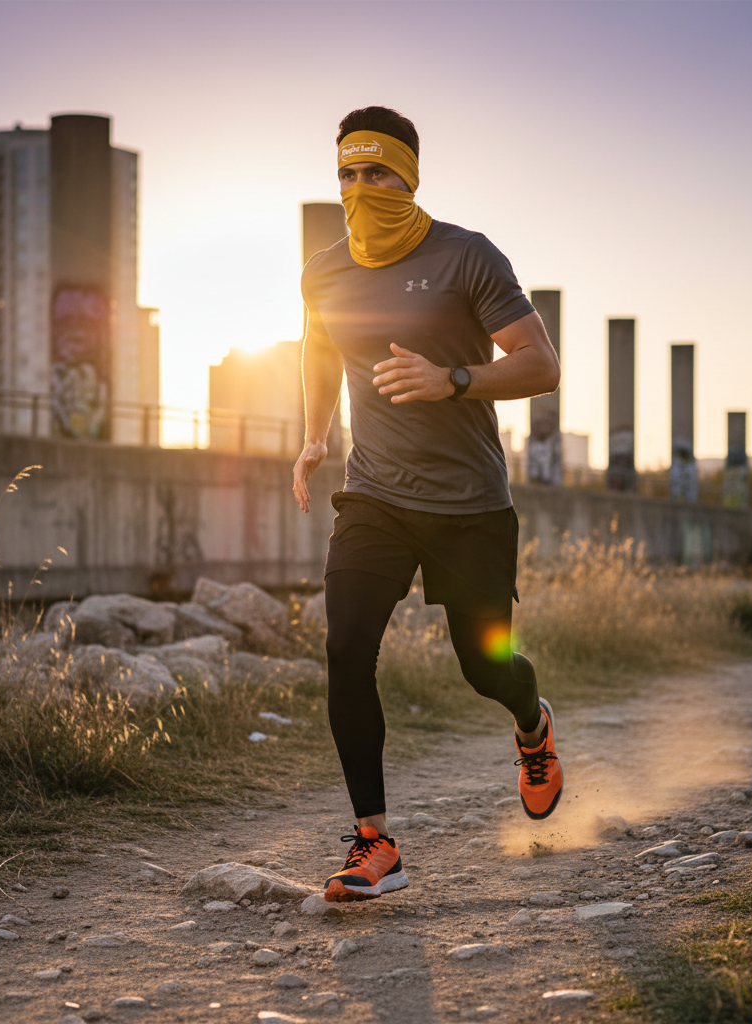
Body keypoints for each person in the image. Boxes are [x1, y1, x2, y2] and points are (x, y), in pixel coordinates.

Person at [293, 107, 563, 903]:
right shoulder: (324, 271)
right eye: (347, 173)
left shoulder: (467, 257)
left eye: (376, 173)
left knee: (484, 667)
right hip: (373, 492)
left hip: (469, 502)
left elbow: (541, 364)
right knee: (346, 647)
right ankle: (376, 843)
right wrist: (315, 435)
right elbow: (317, 345)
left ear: (408, 177)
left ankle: (532, 726)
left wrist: (451, 380)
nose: (359, 188)